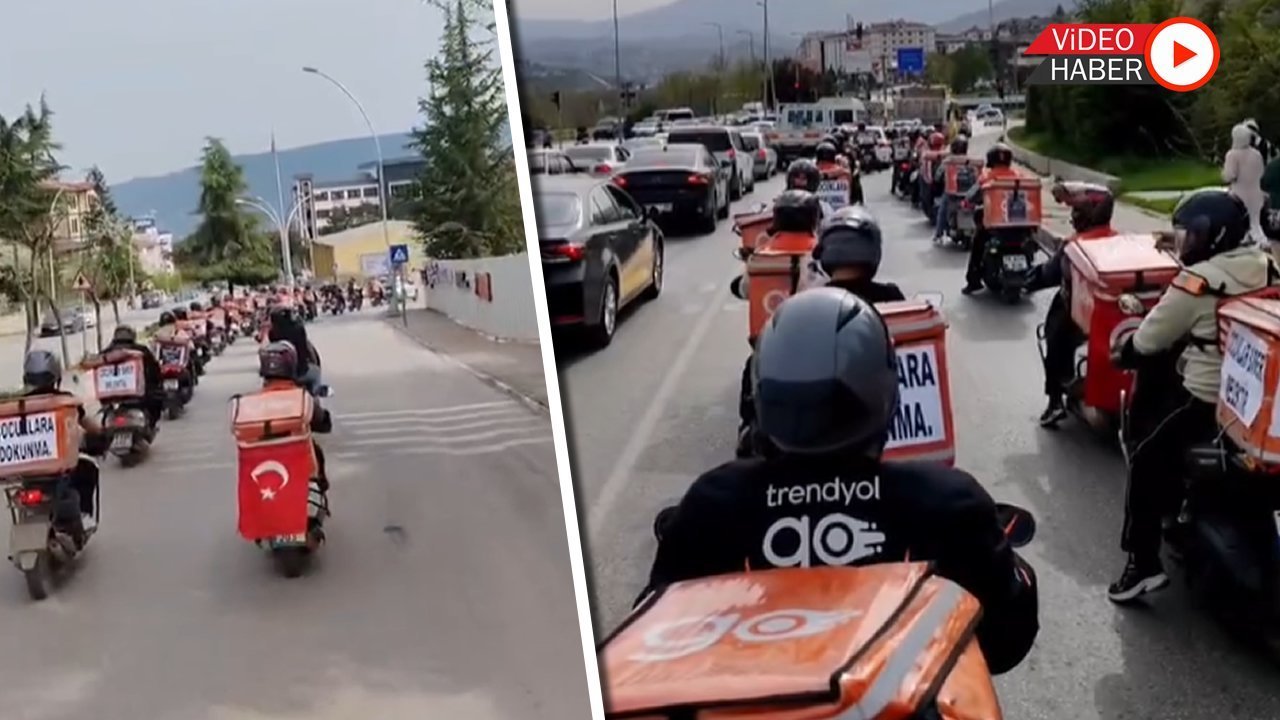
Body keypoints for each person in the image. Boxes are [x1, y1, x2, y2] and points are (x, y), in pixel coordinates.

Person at [655, 289, 1039, 675]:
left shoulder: (713, 505)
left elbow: (655, 642)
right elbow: (1006, 641)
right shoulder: (949, 503)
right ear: (886, 394)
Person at [1108, 189, 1279, 603]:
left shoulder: (1196, 284)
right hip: (1260, 402)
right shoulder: (1268, 268)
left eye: (1193, 234)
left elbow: (1147, 341)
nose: (1187, 242)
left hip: (1207, 401)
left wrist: (1124, 351)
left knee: (1146, 460)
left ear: (1214, 235)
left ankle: (1142, 566)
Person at [1024, 181, 1117, 424]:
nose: (1073, 216)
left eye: (1077, 211)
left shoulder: (1073, 247)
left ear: (1087, 215)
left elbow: (1049, 274)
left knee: (1054, 336)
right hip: (1114, 313)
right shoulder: (1118, 240)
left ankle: (1055, 402)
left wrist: (1028, 280)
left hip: (1080, 311)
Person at [21, 350, 105, 532]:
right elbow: (88, 425)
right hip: (57, 468)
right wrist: (101, 434)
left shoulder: (20, 405)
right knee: (88, 469)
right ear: (56, 377)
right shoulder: (66, 401)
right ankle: (84, 515)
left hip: (28, 471)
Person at [257, 340, 332, 492]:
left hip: (262, 462)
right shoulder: (302, 398)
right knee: (316, 451)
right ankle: (321, 482)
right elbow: (322, 422)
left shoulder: (255, 401)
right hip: (298, 455)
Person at [961, 142, 1017, 294]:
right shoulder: (1018, 176)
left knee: (978, 245)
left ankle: (973, 281)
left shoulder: (986, 177)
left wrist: (967, 202)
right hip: (1018, 224)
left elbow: (971, 196)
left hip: (994, 226)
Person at [104, 325, 164, 429]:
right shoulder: (141, 351)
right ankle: (151, 426)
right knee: (156, 400)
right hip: (140, 397)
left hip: (111, 398)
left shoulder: (105, 353)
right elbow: (154, 370)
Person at [1223, 122, 1267, 244]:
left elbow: (1230, 176)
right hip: (1256, 194)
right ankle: (1260, 241)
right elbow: (1262, 173)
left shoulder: (1232, 155)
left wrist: (1223, 174)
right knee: (1255, 223)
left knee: (1242, 223)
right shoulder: (1257, 154)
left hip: (1239, 195)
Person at [266, 305, 319, 392]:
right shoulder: (298, 329)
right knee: (316, 373)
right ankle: (315, 394)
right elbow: (305, 350)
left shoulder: (272, 333)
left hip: (277, 376)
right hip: (299, 373)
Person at [933, 136, 969, 241]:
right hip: (969, 193)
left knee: (942, 211)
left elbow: (937, 176)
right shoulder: (970, 160)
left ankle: (938, 234)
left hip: (952, 193)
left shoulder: (948, 161)